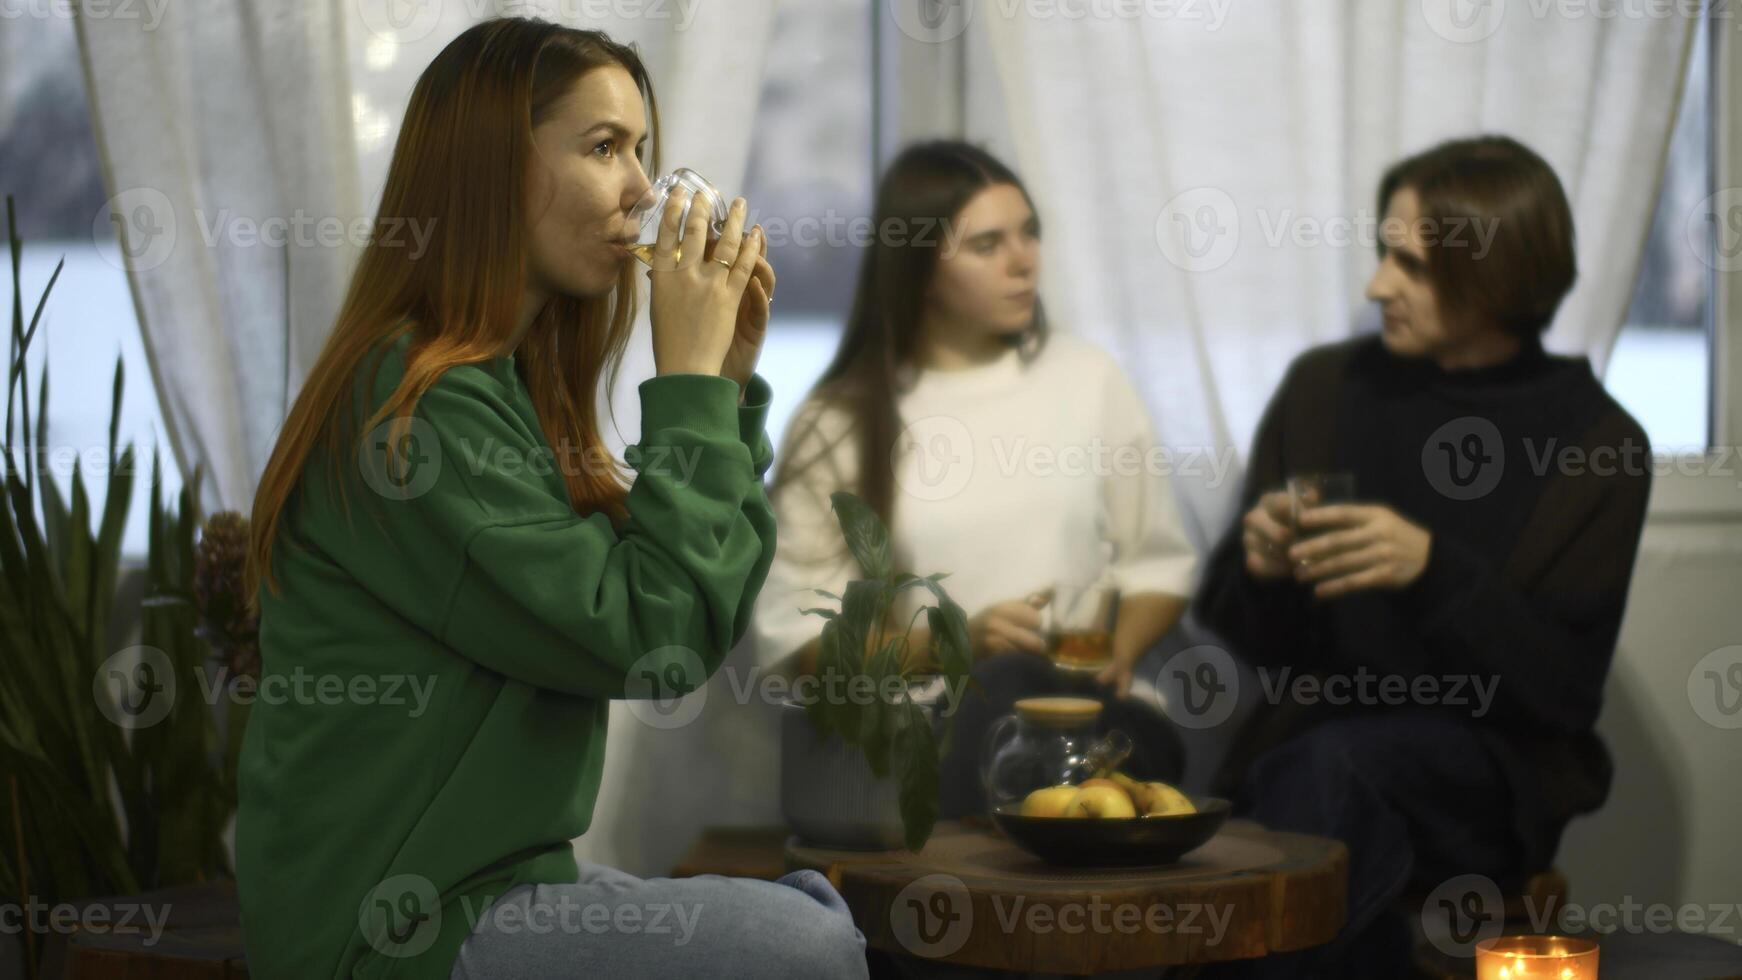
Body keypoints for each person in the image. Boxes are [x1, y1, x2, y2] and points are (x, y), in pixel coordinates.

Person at [237, 19, 865, 980]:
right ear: (492, 172)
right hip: (400, 929)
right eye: (604, 147)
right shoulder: (414, 402)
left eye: (642, 151)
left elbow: (697, 618)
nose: (642, 193)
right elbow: (652, 641)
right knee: (812, 941)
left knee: (812, 924)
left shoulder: (506, 390)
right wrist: (690, 390)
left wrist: (726, 390)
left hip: (514, 887)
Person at [1195, 135, 1651, 977]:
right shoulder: (1326, 390)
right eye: (1382, 254)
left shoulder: (1599, 445)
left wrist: (1431, 573)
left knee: (1324, 779)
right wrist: (1258, 569)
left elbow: (1560, 695)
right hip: (1309, 750)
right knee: (1315, 797)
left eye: (1409, 265)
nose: (1377, 286)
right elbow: (1260, 643)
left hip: (1486, 774)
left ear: (1498, 275)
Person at [753, 141, 1197, 819]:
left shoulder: (1087, 380)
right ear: (921, 269)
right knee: (1002, 685)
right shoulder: (838, 419)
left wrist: (1116, 651)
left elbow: (1158, 566)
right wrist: (958, 645)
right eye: (988, 244)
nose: (1024, 262)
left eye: (1029, 234)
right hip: (922, 738)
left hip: (1098, 727)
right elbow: (802, 650)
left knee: (1049, 705)